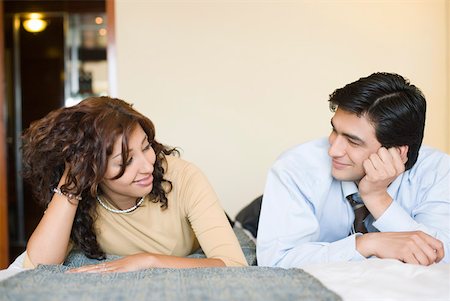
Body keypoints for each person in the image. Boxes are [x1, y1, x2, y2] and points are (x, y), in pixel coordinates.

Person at [22, 96, 247, 272]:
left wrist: (148, 261)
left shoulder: (184, 177)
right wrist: (72, 180)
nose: (147, 166)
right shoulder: (85, 193)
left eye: (146, 147)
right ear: (93, 170)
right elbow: (40, 265)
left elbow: (234, 264)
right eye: (127, 161)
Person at [257, 72, 449, 268]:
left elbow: (443, 257)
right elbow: (275, 260)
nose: (333, 150)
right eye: (334, 130)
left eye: (352, 141)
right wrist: (367, 244)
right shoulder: (296, 167)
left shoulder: (438, 171)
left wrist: (377, 198)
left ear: (397, 152)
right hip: (272, 210)